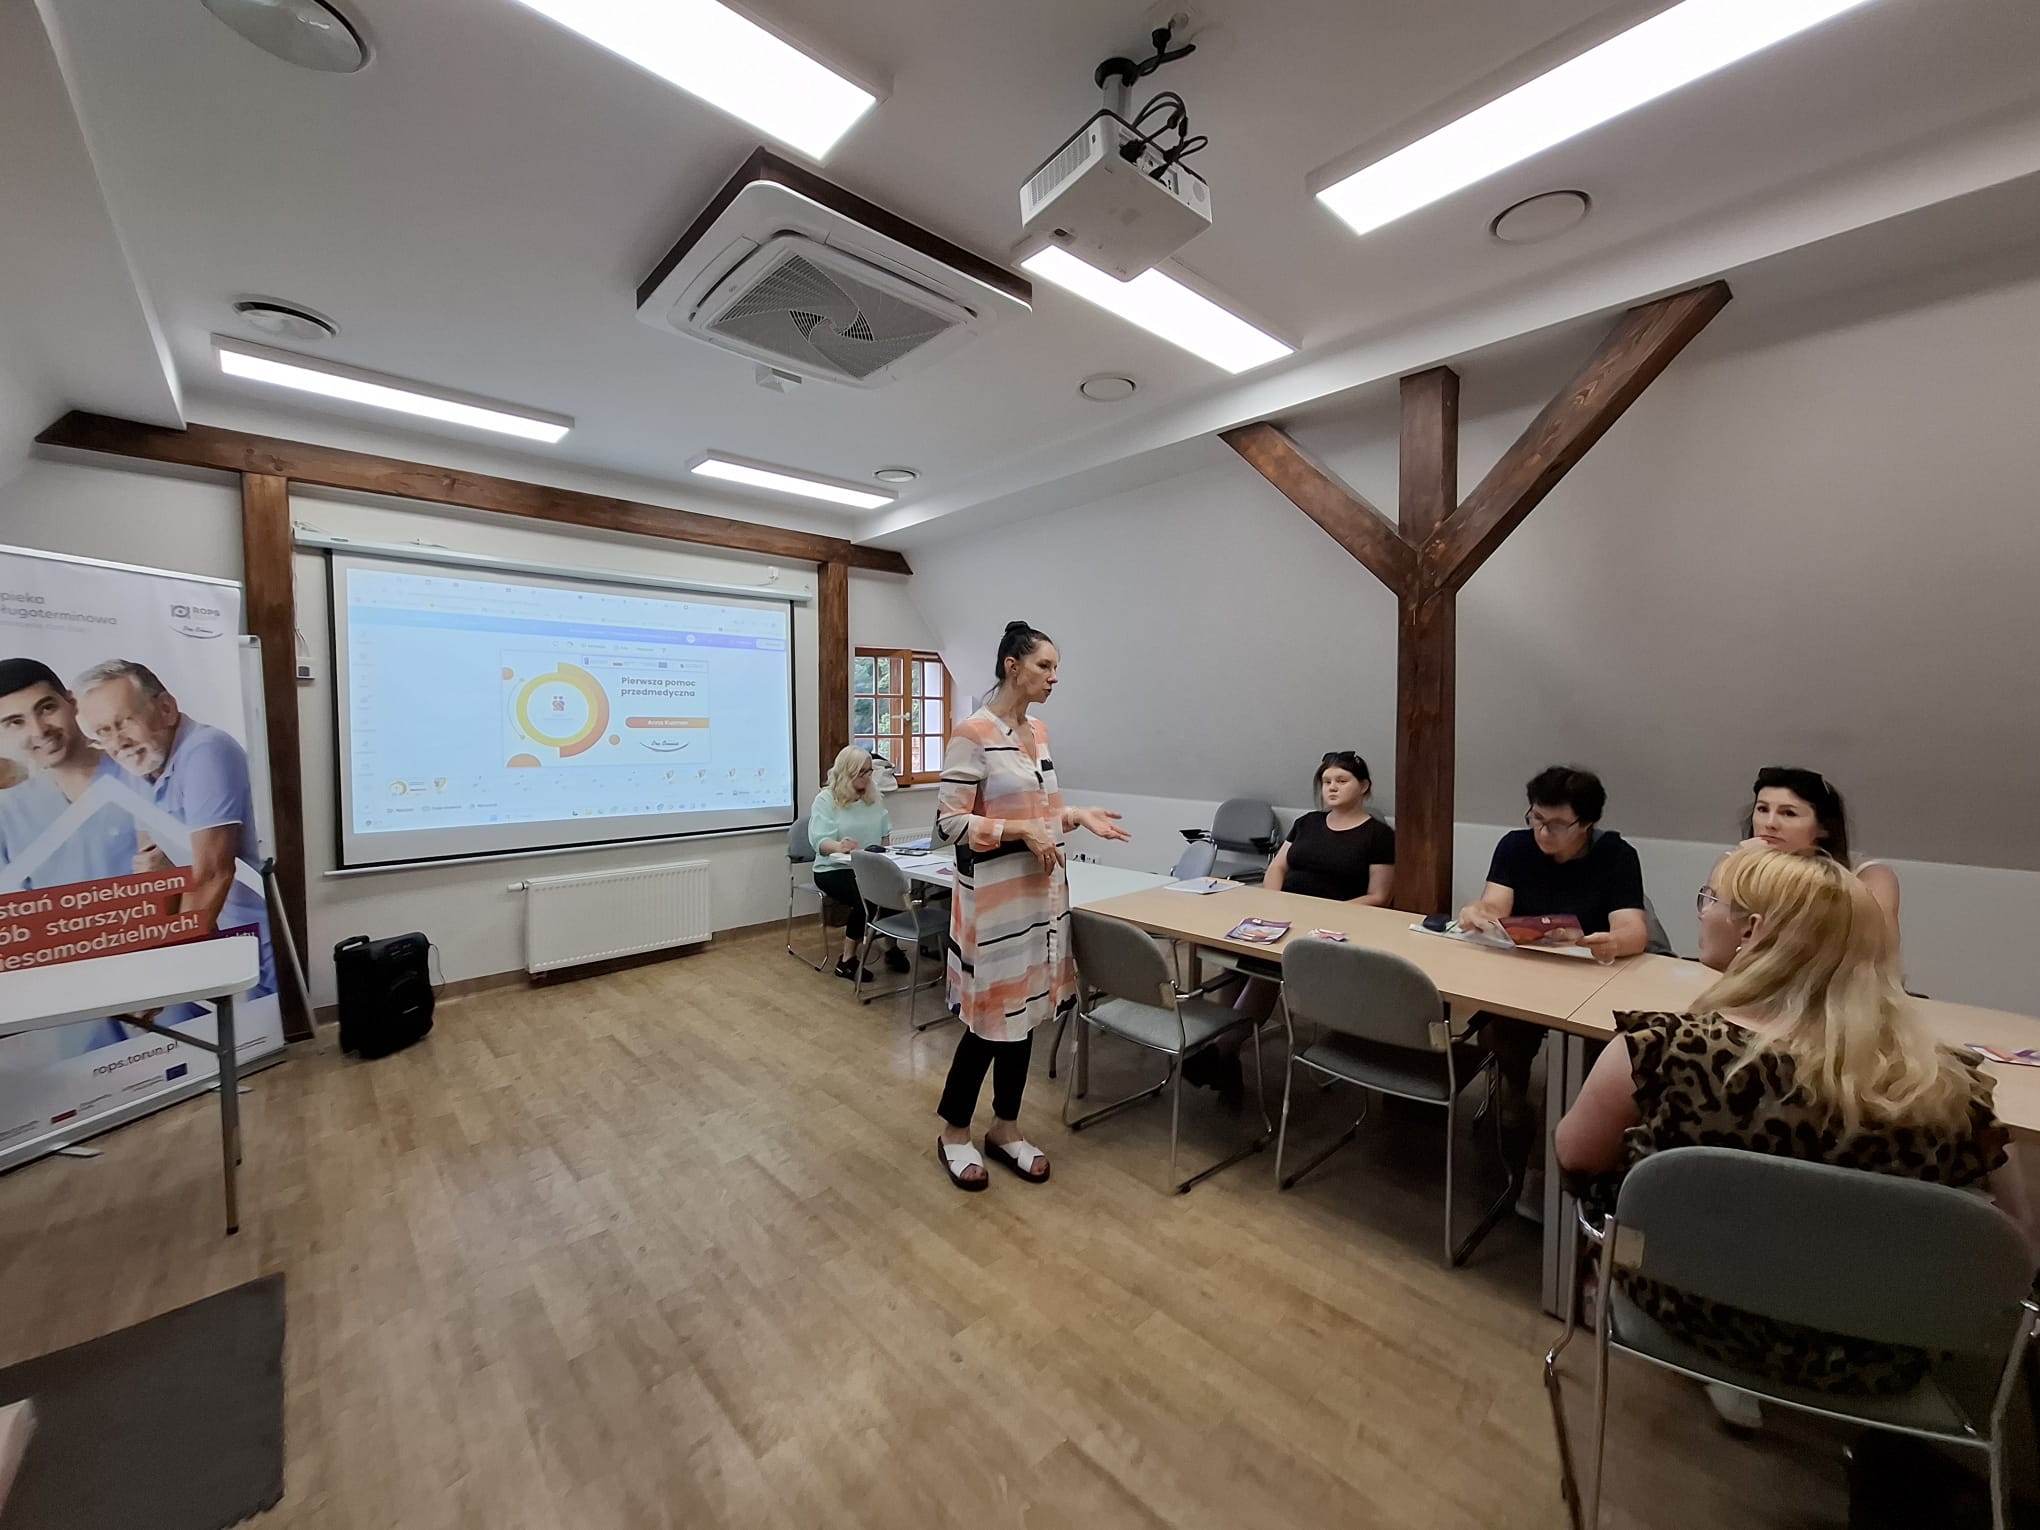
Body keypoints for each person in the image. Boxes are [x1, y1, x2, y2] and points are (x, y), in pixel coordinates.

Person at [1556, 847, 2017, 1412]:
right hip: (1877, 1353)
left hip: (1684, 1310)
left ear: (1751, 930)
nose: (1701, 910)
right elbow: (2014, 1242)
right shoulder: (1953, 1089)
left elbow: (1576, 1158)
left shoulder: (1659, 1052)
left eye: (1710, 898)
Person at [931, 621, 1129, 1191]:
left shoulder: (1037, 731)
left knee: (1024, 1017)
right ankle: (954, 1132)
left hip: (1041, 901)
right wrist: (1018, 831)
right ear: (1012, 666)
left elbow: (1041, 814)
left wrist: (1075, 815)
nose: (1054, 677)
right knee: (989, 1023)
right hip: (995, 906)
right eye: (1044, 666)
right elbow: (948, 824)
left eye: (1056, 667)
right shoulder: (973, 733)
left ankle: (1006, 1127)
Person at [1458, 766, 1655, 1210]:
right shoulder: (1515, 845)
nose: (1543, 832)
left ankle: (1552, 1168)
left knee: (1586, 1056)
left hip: (1589, 977)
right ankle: (1514, 1091)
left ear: (1586, 823)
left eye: (1557, 824)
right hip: (1525, 971)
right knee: (1501, 1032)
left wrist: (1611, 942)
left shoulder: (1616, 855)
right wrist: (1479, 912)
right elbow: (1495, 903)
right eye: (1536, 818)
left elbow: (1633, 930)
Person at [1186, 750, 1394, 1102]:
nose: (1331, 788)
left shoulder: (1378, 835)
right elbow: (1277, 868)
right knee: (1235, 956)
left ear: (1364, 787)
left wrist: (1325, 915)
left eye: (1341, 781)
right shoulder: (1308, 823)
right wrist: (1273, 904)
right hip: (1282, 918)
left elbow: (1380, 896)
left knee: (1267, 969)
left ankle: (1222, 1050)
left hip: (1331, 930)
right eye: (1326, 782)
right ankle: (1227, 1051)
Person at [73, 659, 275, 1000]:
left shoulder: (206, 750)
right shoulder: (141, 764)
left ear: (166, 708)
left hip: (255, 936)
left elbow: (213, 874)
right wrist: (155, 957)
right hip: (212, 933)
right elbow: (153, 869)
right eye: (103, 732)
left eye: (125, 721)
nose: (118, 742)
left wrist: (171, 974)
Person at [0, 658, 143, 1054]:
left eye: (46, 708)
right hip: (75, 1004)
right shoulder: (9, 811)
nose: (38, 730)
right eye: (14, 722)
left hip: (164, 980)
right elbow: (13, 923)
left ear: (71, 702)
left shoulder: (140, 773)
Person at [1739, 765, 1900, 942]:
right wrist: (1743, 873)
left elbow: (1880, 945)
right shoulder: (1735, 863)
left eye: (1789, 813)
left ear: (1823, 828)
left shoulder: (1869, 875)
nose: (1770, 823)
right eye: (1762, 809)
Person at [807, 745, 908, 981]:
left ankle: (890, 946)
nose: (867, 777)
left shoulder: (874, 799)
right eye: (861, 772)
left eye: (869, 771)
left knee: (895, 892)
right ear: (847, 772)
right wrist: (838, 846)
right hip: (833, 869)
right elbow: (819, 841)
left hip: (867, 867)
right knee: (868, 898)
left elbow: (884, 837)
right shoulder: (826, 800)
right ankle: (847, 960)